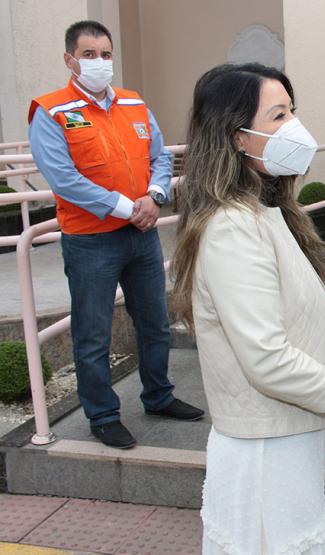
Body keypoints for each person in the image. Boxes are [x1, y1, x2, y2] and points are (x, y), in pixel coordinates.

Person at [172, 62, 325, 554]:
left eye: (292, 112)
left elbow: (276, 334)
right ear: (238, 137)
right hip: (264, 456)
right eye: (277, 116)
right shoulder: (234, 228)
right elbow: (266, 360)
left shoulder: (264, 213)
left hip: (283, 442)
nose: (294, 128)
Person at [28, 20, 203, 449]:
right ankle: (103, 415)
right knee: (93, 334)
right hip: (91, 241)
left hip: (140, 236)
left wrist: (156, 194)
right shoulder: (51, 111)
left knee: (155, 323)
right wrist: (128, 206)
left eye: (106, 54)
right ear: (70, 60)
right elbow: (63, 178)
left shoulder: (133, 103)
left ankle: (158, 396)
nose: (100, 62)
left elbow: (159, 155)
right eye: (89, 55)